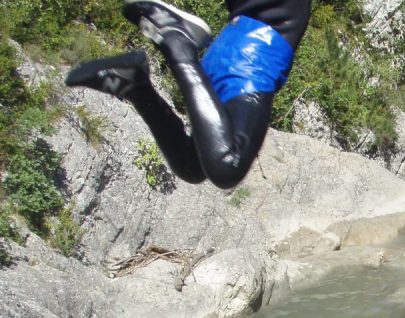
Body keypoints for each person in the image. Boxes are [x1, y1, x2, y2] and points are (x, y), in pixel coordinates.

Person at [65, 0, 311, 189]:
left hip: (239, 40)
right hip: (258, 47)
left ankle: (134, 85)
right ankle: (176, 40)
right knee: (227, 165)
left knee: (192, 164)